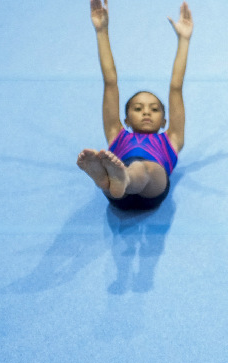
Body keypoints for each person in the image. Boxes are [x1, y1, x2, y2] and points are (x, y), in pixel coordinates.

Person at [75, 0, 192, 210]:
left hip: (152, 188)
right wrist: (101, 30)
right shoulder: (116, 134)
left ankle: (115, 179)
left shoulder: (172, 139)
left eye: (154, 109)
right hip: (118, 189)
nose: (146, 111)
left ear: (165, 120)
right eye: (138, 108)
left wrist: (183, 39)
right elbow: (110, 82)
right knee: (132, 168)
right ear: (126, 119)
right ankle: (116, 179)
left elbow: (176, 87)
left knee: (143, 168)